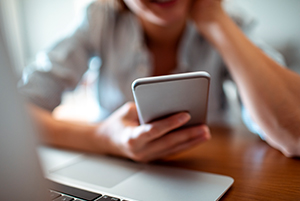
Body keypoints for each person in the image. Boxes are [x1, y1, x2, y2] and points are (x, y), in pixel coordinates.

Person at [19, 0, 300, 161]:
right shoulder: (99, 19)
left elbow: (294, 134)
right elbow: (15, 116)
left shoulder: (228, 23)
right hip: (115, 169)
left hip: (210, 170)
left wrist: (215, 19)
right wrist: (103, 138)